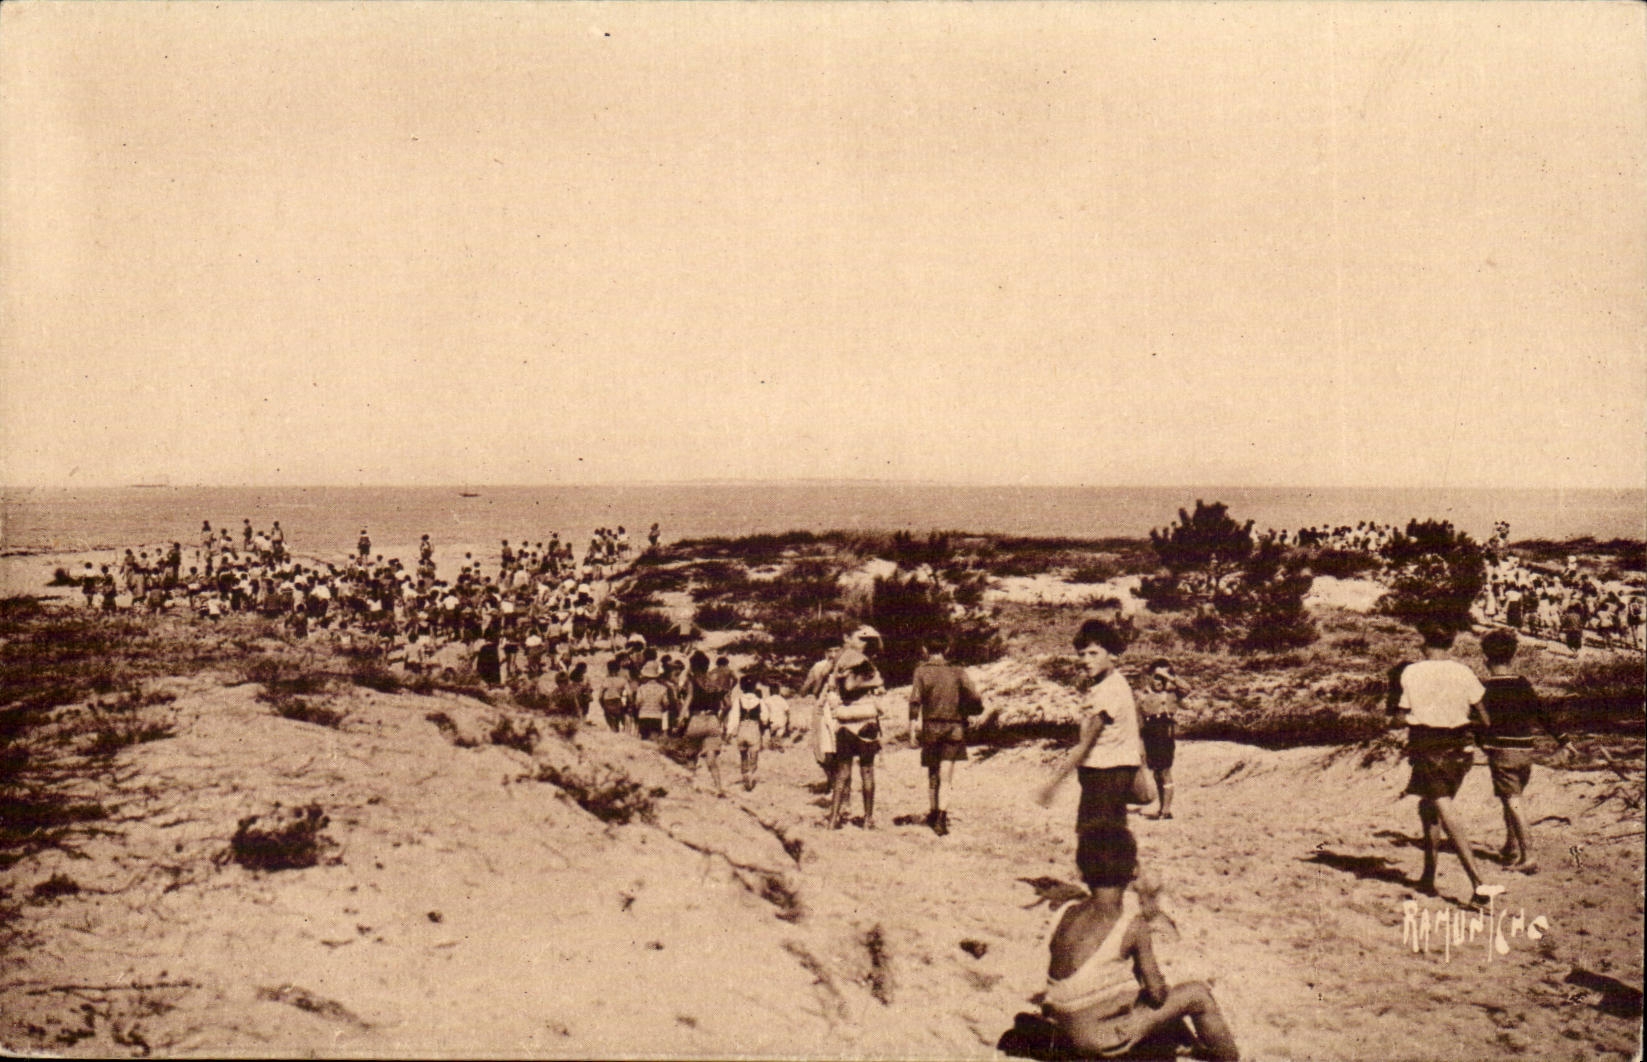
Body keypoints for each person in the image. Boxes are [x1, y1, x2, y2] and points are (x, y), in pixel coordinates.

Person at [1042, 849, 1239, 1061]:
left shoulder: (1067, 911)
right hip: (1097, 1037)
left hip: (1061, 1028)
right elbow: (1157, 995)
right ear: (1133, 871)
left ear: (1082, 873)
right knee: (1197, 994)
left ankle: (1184, 1046)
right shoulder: (1131, 921)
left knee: (1141, 997)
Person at [1388, 622, 1494, 903]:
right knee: (1429, 807)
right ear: (1451, 644)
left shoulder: (1411, 671)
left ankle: (1478, 883)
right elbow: (1484, 718)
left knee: (1443, 809)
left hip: (1428, 747)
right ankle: (1428, 877)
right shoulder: (1463, 671)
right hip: (1461, 749)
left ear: (1424, 643)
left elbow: (1399, 717)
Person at [1035, 618, 1140, 888]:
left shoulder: (1109, 690)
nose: (1086, 660)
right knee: (1111, 837)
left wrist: (1054, 783)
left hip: (1106, 774)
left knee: (1094, 839)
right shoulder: (1113, 684)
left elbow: (1087, 743)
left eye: (1094, 653)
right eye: (1082, 654)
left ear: (1112, 654)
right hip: (1110, 772)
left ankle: (1105, 900)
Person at [1477, 629, 1569, 874]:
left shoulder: (1485, 689)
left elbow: (1478, 722)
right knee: (1513, 797)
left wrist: (1479, 742)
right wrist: (1563, 739)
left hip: (1502, 752)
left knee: (1512, 800)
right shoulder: (1522, 684)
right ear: (1513, 657)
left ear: (1485, 660)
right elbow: (1541, 713)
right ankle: (1510, 845)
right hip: (1526, 750)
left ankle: (1528, 855)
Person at [908, 640, 986, 836]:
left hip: (931, 727)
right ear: (947, 649)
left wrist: (911, 729)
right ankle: (942, 818)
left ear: (925, 649)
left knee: (933, 774)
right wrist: (970, 713)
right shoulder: (957, 671)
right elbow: (975, 697)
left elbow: (915, 701)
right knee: (947, 775)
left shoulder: (921, 671)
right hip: (954, 728)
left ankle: (933, 813)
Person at [826, 643, 885, 829]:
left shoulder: (839, 672)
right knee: (867, 771)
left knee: (842, 773)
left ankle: (833, 819)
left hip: (845, 723)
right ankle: (868, 820)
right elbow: (878, 691)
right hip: (867, 722)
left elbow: (836, 692)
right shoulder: (870, 673)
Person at [1135, 659, 1187, 821]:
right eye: (1157, 677)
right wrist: (1140, 744)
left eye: (1163, 677)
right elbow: (1139, 722)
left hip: (1165, 733)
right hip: (1150, 735)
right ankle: (1161, 809)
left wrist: (1170, 676)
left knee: (1165, 771)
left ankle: (1166, 810)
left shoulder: (1172, 693)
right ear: (1150, 676)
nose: (1160, 681)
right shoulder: (1142, 696)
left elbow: (1186, 688)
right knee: (1156, 772)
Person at [678, 651, 729, 794]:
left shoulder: (692, 681)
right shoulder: (715, 683)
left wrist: (680, 719)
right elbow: (728, 704)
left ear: (693, 666)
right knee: (711, 758)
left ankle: (692, 787)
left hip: (696, 720)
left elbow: (688, 700)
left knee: (691, 756)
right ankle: (719, 788)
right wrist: (720, 717)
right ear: (707, 666)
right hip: (712, 720)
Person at [730, 673, 766, 792]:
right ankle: (751, 773)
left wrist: (730, 731)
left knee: (743, 754)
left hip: (742, 728)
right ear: (754, 687)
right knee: (754, 754)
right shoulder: (759, 701)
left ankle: (744, 772)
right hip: (754, 728)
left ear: (741, 687)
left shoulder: (738, 700)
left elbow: (734, 717)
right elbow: (765, 717)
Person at [632, 657, 675, 742]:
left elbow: (637, 703)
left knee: (645, 742)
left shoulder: (641, 688)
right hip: (657, 717)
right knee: (654, 741)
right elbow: (666, 704)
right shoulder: (663, 688)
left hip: (643, 716)